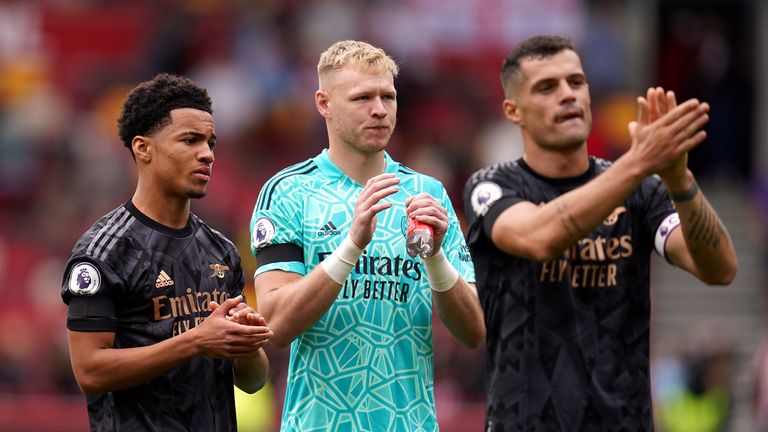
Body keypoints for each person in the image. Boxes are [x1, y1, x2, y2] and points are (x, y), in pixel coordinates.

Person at [462, 35, 738, 431]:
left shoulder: (643, 191)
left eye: (576, 82)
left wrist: (679, 180)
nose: (567, 95)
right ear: (513, 110)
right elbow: (537, 239)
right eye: (546, 87)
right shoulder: (493, 186)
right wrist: (640, 162)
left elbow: (720, 269)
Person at [249, 40, 485, 431]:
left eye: (388, 97)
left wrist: (436, 259)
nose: (379, 109)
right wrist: (351, 245)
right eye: (362, 98)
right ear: (323, 103)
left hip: (409, 423)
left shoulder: (427, 193)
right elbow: (275, 324)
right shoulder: (289, 191)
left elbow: (473, 332)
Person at [61, 73, 271, 431]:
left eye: (210, 142)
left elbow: (252, 382)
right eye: (190, 140)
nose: (207, 154)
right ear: (143, 148)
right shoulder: (103, 252)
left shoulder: (221, 250)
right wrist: (195, 341)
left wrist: (247, 343)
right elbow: (89, 372)